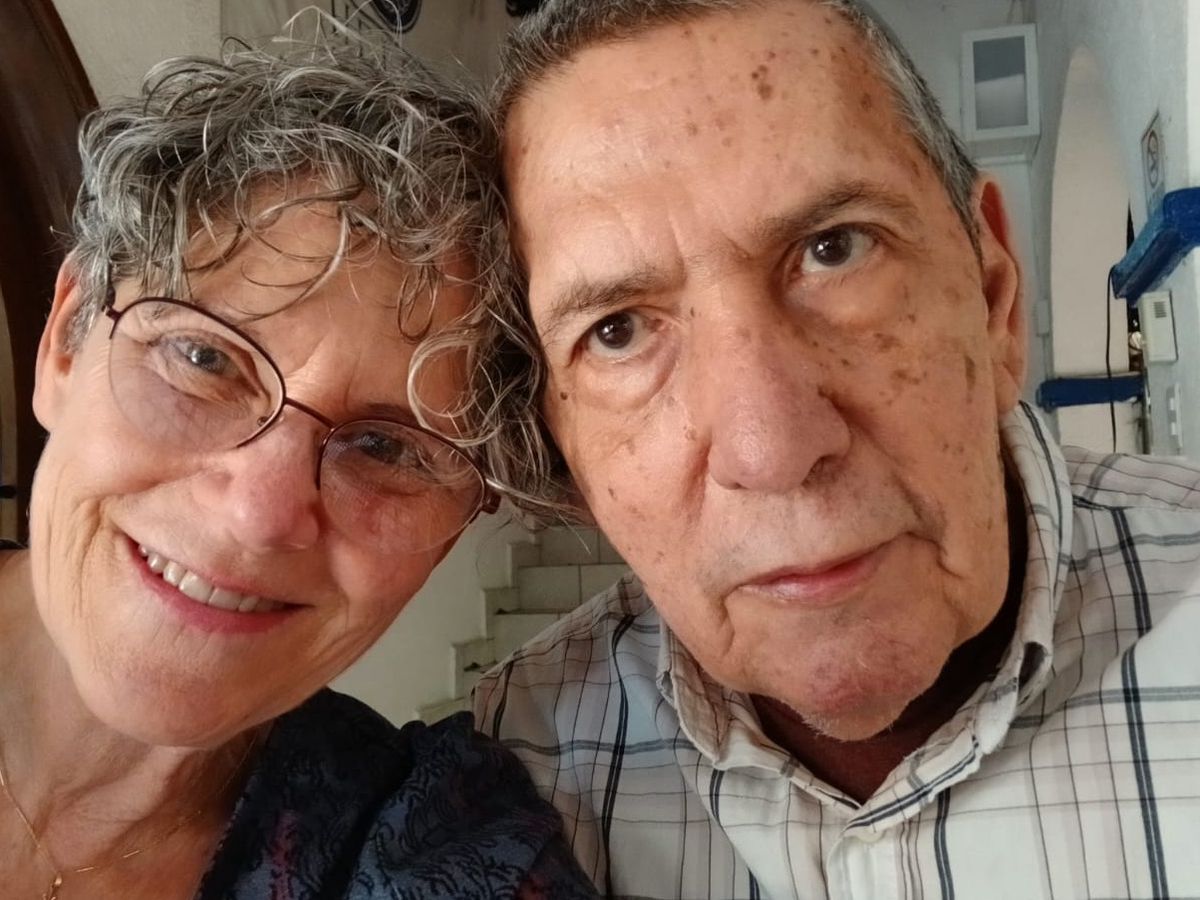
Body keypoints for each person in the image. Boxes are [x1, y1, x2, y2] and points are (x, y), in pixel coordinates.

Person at [472, 1, 1200, 897]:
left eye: (834, 250)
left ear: (993, 295)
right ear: (563, 440)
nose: (771, 447)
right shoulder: (511, 772)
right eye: (618, 330)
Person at [0, 31, 597, 900]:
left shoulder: (436, 848)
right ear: (64, 341)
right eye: (204, 359)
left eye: (387, 448)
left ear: (465, 517)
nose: (258, 513)